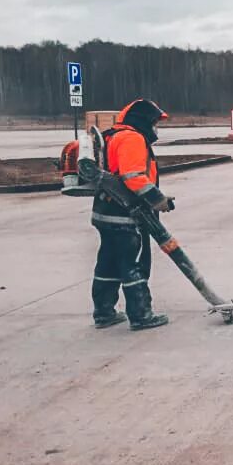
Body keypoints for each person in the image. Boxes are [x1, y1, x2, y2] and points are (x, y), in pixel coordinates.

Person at [89, 99, 173, 330]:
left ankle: (104, 312)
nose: (156, 128)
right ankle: (141, 315)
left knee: (107, 262)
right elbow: (133, 176)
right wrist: (158, 200)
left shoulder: (112, 135)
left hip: (105, 212)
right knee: (133, 264)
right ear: (143, 120)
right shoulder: (132, 138)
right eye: (155, 122)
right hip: (126, 214)